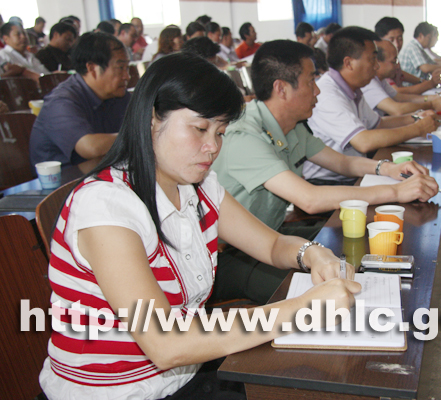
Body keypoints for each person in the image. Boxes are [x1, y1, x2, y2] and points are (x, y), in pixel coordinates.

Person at [38, 52, 359, 399]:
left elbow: (271, 245)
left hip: (185, 376)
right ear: (151, 119)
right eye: (200, 129)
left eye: (220, 132)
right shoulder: (106, 206)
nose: (212, 147)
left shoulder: (198, 185)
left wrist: (314, 254)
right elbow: (166, 343)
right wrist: (303, 309)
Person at [211, 40, 438, 304]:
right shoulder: (244, 136)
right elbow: (310, 199)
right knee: (328, 293)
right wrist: (396, 191)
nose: (317, 90)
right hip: (228, 256)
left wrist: (387, 168)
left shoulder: (291, 125)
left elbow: (342, 163)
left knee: (353, 239)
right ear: (281, 88)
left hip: (271, 238)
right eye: (310, 81)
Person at [303, 27, 438, 184]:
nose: (376, 66)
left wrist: (416, 118)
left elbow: (378, 123)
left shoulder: (354, 88)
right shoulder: (327, 94)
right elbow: (364, 142)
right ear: (348, 63)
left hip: (353, 172)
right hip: (328, 181)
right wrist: (418, 129)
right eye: (372, 59)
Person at [29, 32, 131, 167]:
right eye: (120, 68)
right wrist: (139, 134)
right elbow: (90, 147)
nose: (127, 76)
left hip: (101, 172)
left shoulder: (118, 95)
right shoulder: (61, 102)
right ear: (92, 68)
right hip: (64, 178)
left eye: (127, 68)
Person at [362, 40, 441, 116]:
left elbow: (400, 98)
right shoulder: (369, 83)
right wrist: (431, 104)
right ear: (378, 62)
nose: (398, 66)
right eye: (394, 62)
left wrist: (436, 97)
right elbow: (397, 110)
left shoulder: (380, 80)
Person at [374, 17, 441, 95]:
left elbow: (401, 73)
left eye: (400, 39)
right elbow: (397, 92)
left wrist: (422, 81)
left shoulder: (394, 60)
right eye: (391, 40)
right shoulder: (380, 64)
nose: (397, 44)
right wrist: (430, 84)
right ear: (379, 41)